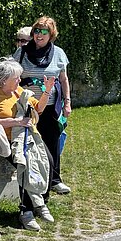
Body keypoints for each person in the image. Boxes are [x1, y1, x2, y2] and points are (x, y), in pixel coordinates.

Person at [0, 57, 55, 231]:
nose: (20, 80)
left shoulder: (18, 91)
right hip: (7, 141)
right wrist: (17, 122)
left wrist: (46, 92)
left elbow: (38, 109)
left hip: (29, 137)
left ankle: (40, 202)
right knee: (25, 167)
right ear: (3, 80)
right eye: (16, 78)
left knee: (48, 162)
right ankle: (26, 212)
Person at [14, 16, 72, 194]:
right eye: (37, 31)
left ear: (51, 34)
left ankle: (54, 180)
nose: (39, 35)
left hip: (51, 106)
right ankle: (33, 181)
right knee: (31, 144)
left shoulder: (59, 54)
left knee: (52, 142)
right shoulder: (22, 52)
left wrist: (67, 103)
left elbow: (64, 79)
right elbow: (12, 76)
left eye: (44, 32)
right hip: (28, 107)